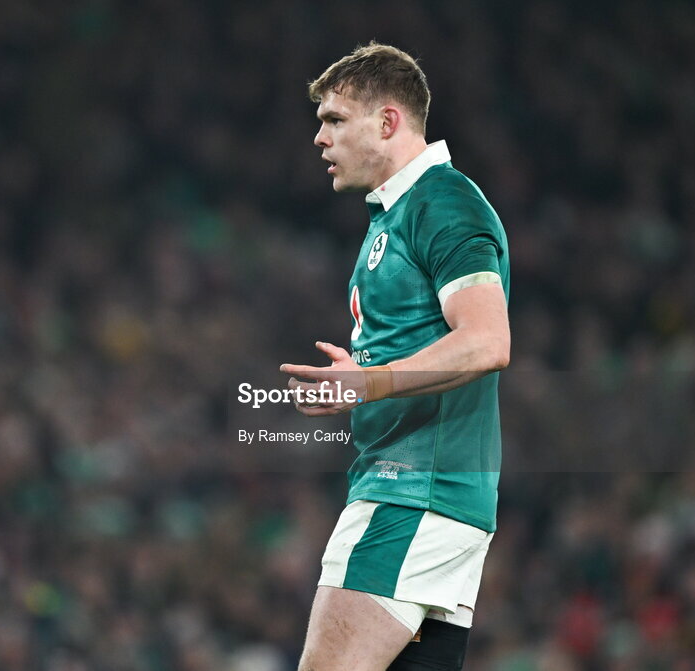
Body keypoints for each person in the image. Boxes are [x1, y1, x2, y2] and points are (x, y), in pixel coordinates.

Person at [280, 43, 511, 671]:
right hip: (438, 496)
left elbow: (488, 341)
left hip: (411, 493)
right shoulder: (394, 216)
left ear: (387, 122)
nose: (320, 138)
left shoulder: (444, 203)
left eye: (334, 120)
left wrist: (370, 384)